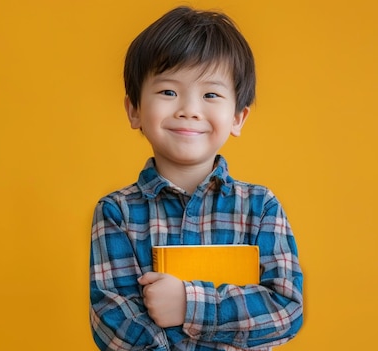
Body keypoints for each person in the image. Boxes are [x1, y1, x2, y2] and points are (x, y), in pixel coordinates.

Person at [89, 6, 303, 351]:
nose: (189, 109)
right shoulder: (116, 212)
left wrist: (190, 304)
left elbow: (285, 312)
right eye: (168, 92)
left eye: (211, 95)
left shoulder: (261, 206)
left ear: (238, 117)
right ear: (134, 110)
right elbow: (113, 320)